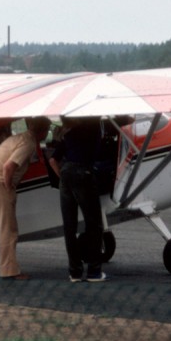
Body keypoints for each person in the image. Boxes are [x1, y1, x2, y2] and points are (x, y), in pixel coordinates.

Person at [0, 117, 51, 280]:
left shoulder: (21, 137)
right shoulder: (28, 143)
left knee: (8, 228)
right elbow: (8, 167)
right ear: (43, 131)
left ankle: (9, 269)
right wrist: (9, 186)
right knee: (8, 229)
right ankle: (9, 271)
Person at [49, 116, 107, 282]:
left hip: (66, 175)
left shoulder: (69, 135)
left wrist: (63, 178)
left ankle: (74, 272)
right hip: (83, 173)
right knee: (94, 224)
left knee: (69, 226)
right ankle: (94, 272)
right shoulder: (93, 126)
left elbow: (53, 160)